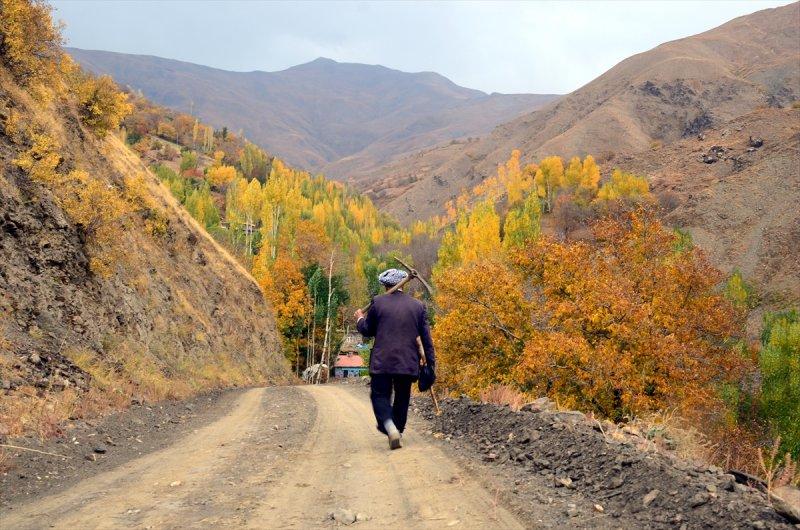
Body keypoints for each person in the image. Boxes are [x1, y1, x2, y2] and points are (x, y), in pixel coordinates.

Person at [354, 268, 435, 450]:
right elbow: (427, 340)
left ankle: (389, 426)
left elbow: (367, 330)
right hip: (407, 362)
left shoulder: (378, 303)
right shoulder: (418, 307)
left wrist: (359, 318)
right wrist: (430, 365)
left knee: (380, 395)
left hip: (382, 361)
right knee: (402, 397)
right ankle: (397, 429)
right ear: (402, 286)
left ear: (384, 285)